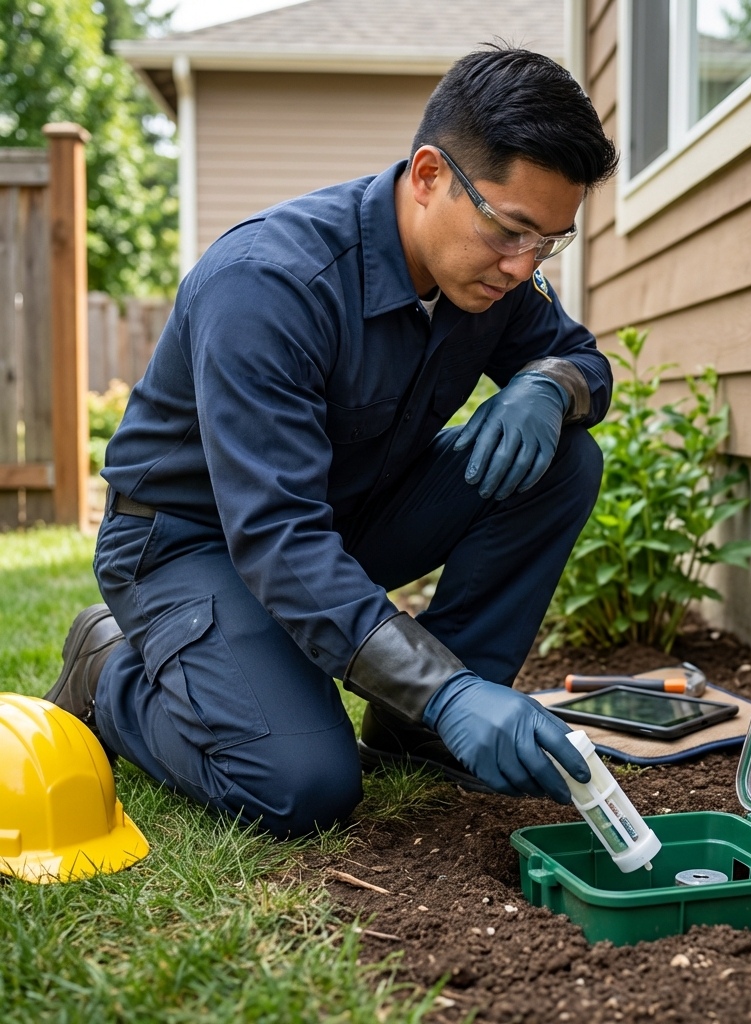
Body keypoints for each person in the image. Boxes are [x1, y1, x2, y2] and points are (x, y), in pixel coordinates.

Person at [45, 45, 618, 838]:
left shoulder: (490, 278)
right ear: (427, 175)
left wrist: (553, 386)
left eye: (549, 242)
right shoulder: (268, 285)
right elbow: (277, 536)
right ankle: (111, 666)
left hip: (342, 517)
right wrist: (446, 686)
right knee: (301, 785)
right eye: (512, 231)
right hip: (191, 542)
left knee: (561, 457)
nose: (525, 268)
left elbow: (583, 356)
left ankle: (419, 731)